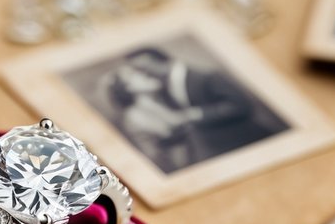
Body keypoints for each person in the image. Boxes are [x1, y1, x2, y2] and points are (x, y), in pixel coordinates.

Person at [122, 47, 288, 167]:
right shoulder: (159, 90)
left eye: (143, 68)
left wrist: (196, 114)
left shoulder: (205, 76)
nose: (142, 74)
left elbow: (241, 105)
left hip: (250, 141)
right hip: (215, 152)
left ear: (161, 61)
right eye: (137, 70)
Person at [103, 63, 195, 173]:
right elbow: (171, 131)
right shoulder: (134, 115)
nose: (146, 73)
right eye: (135, 74)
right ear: (128, 88)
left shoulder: (158, 101)